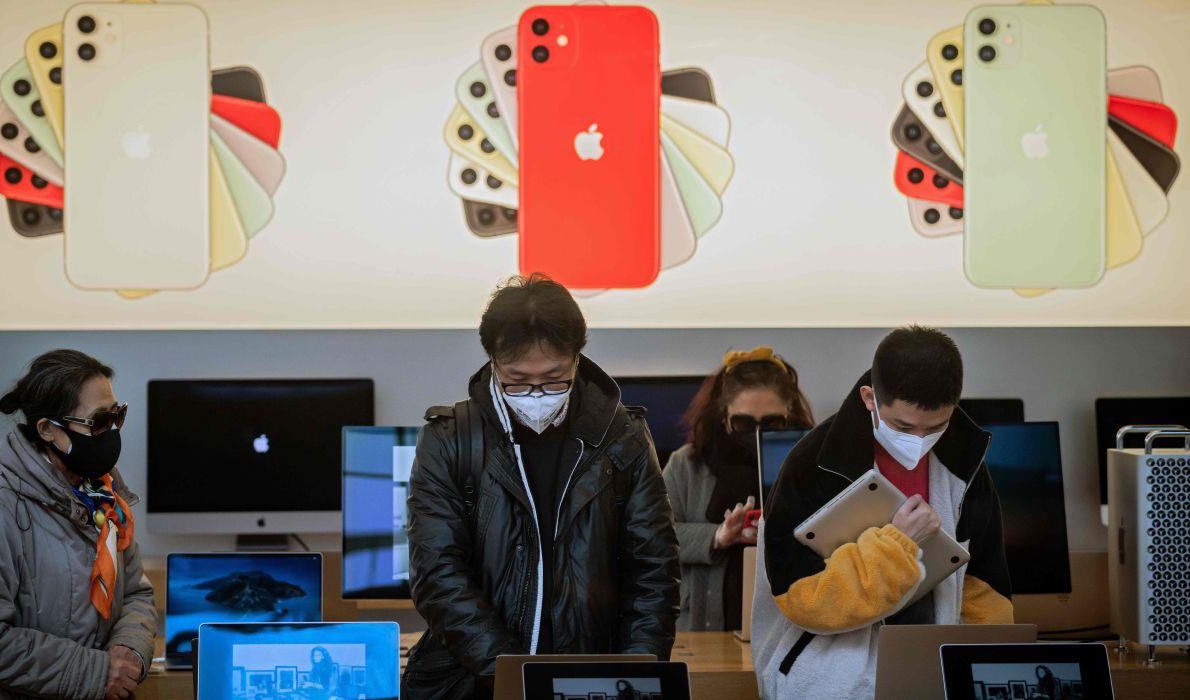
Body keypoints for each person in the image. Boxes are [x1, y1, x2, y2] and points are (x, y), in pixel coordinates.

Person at [402, 274, 680, 699]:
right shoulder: (451, 439)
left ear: (577, 358)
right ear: (492, 362)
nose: (536, 395)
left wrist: (635, 677)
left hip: (593, 677)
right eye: (516, 381)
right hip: (473, 680)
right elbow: (438, 574)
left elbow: (653, 569)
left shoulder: (622, 436)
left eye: (554, 379)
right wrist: (517, 679)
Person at [751, 326, 1013, 698]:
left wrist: (987, 668)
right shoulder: (813, 463)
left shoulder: (965, 465)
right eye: (903, 426)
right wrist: (898, 545)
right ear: (869, 398)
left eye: (936, 427)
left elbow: (985, 586)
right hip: (829, 680)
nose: (919, 441)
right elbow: (802, 598)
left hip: (930, 670)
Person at [0, 349, 157, 700]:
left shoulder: (104, 494)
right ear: (48, 430)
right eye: (99, 421)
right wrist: (97, 673)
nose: (111, 432)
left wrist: (129, 650)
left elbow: (136, 592)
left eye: (117, 416)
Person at [662, 346, 814, 631]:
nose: (757, 433)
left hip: (787, 622)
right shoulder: (687, 464)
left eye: (772, 423)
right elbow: (655, 537)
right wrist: (718, 536)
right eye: (743, 423)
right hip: (705, 624)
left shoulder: (806, 462)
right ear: (724, 416)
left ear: (789, 414)